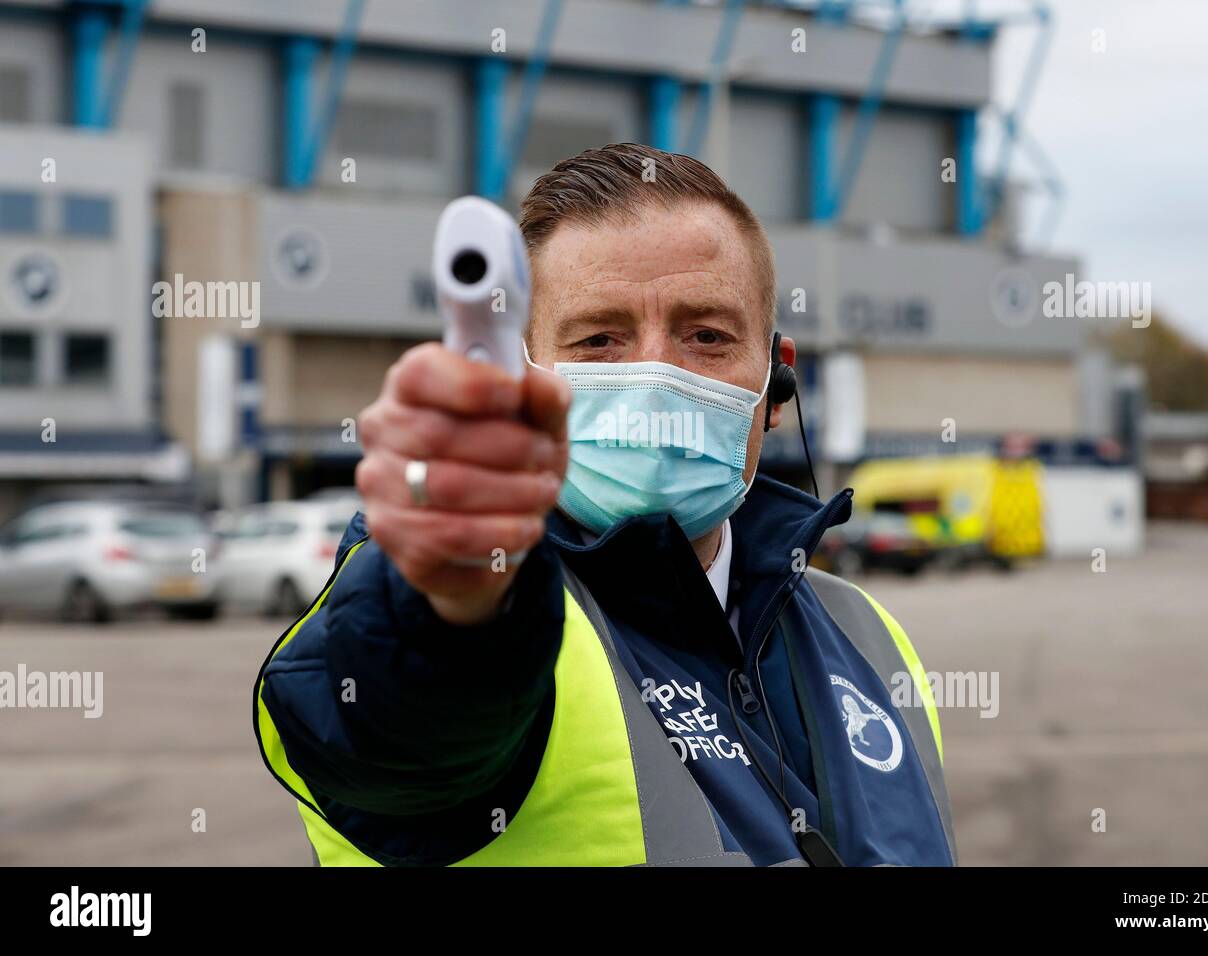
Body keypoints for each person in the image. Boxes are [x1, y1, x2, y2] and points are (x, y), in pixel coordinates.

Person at [254, 143, 956, 867]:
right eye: (599, 340)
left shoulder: (866, 634)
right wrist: (448, 601)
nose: (655, 373)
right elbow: (400, 732)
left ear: (777, 385)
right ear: (527, 375)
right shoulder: (479, 606)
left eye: (706, 336)